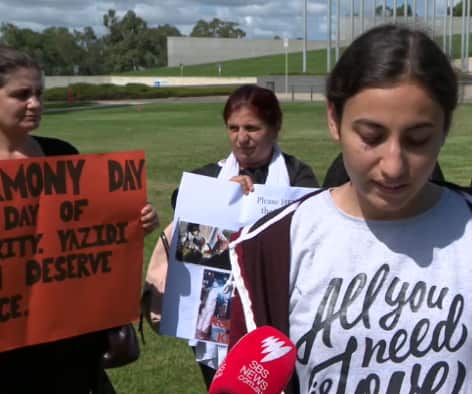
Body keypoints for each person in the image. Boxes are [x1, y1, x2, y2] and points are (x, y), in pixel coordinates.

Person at [224, 24, 472, 394]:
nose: (394, 165)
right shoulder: (270, 248)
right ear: (334, 119)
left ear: (445, 127)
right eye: (371, 137)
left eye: (418, 140)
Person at [0, 45, 160, 393]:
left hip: (70, 342)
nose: (35, 104)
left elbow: (94, 233)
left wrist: (136, 221)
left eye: (39, 93)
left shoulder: (62, 154)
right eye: (21, 94)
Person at [143, 84, 319, 389]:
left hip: (278, 309)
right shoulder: (210, 175)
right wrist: (223, 195)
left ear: (274, 128)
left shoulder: (297, 175)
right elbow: (184, 206)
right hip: (216, 321)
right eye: (233, 128)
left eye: (252, 128)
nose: (242, 138)